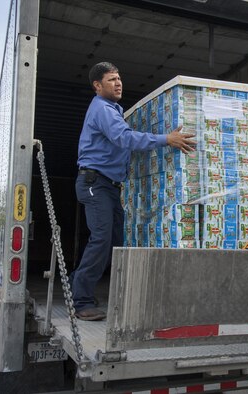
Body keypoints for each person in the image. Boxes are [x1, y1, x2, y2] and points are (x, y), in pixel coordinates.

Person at [73, 62, 196, 321]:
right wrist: (166, 139)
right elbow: (124, 139)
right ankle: (81, 300)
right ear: (97, 86)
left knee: (115, 241)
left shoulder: (114, 110)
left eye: (119, 78)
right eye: (111, 80)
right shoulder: (103, 109)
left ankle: (74, 284)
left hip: (108, 185)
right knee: (102, 238)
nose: (118, 83)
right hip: (95, 183)